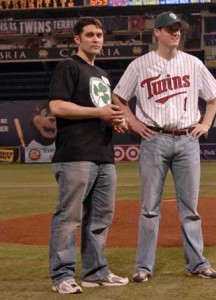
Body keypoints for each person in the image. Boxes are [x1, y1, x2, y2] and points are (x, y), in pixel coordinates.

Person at [113, 11, 216, 282]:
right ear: (156, 33)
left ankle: (196, 263)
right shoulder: (140, 65)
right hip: (154, 139)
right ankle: (143, 267)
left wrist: (206, 124)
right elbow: (118, 97)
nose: (175, 33)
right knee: (149, 207)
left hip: (187, 139)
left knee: (190, 209)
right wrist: (134, 123)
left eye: (177, 29)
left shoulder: (193, 64)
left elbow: (213, 95)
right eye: (168, 29)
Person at [48, 16, 129, 294]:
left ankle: (95, 272)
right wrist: (99, 113)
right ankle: (62, 276)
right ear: (77, 39)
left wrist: (114, 120)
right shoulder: (68, 66)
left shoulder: (103, 75)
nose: (96, 39)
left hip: (104, 155)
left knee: (100, 219)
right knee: (69, 218)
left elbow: (102, 111)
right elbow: (57, 106)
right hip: (75, 154)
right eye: (91, 34)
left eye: (100, 35)